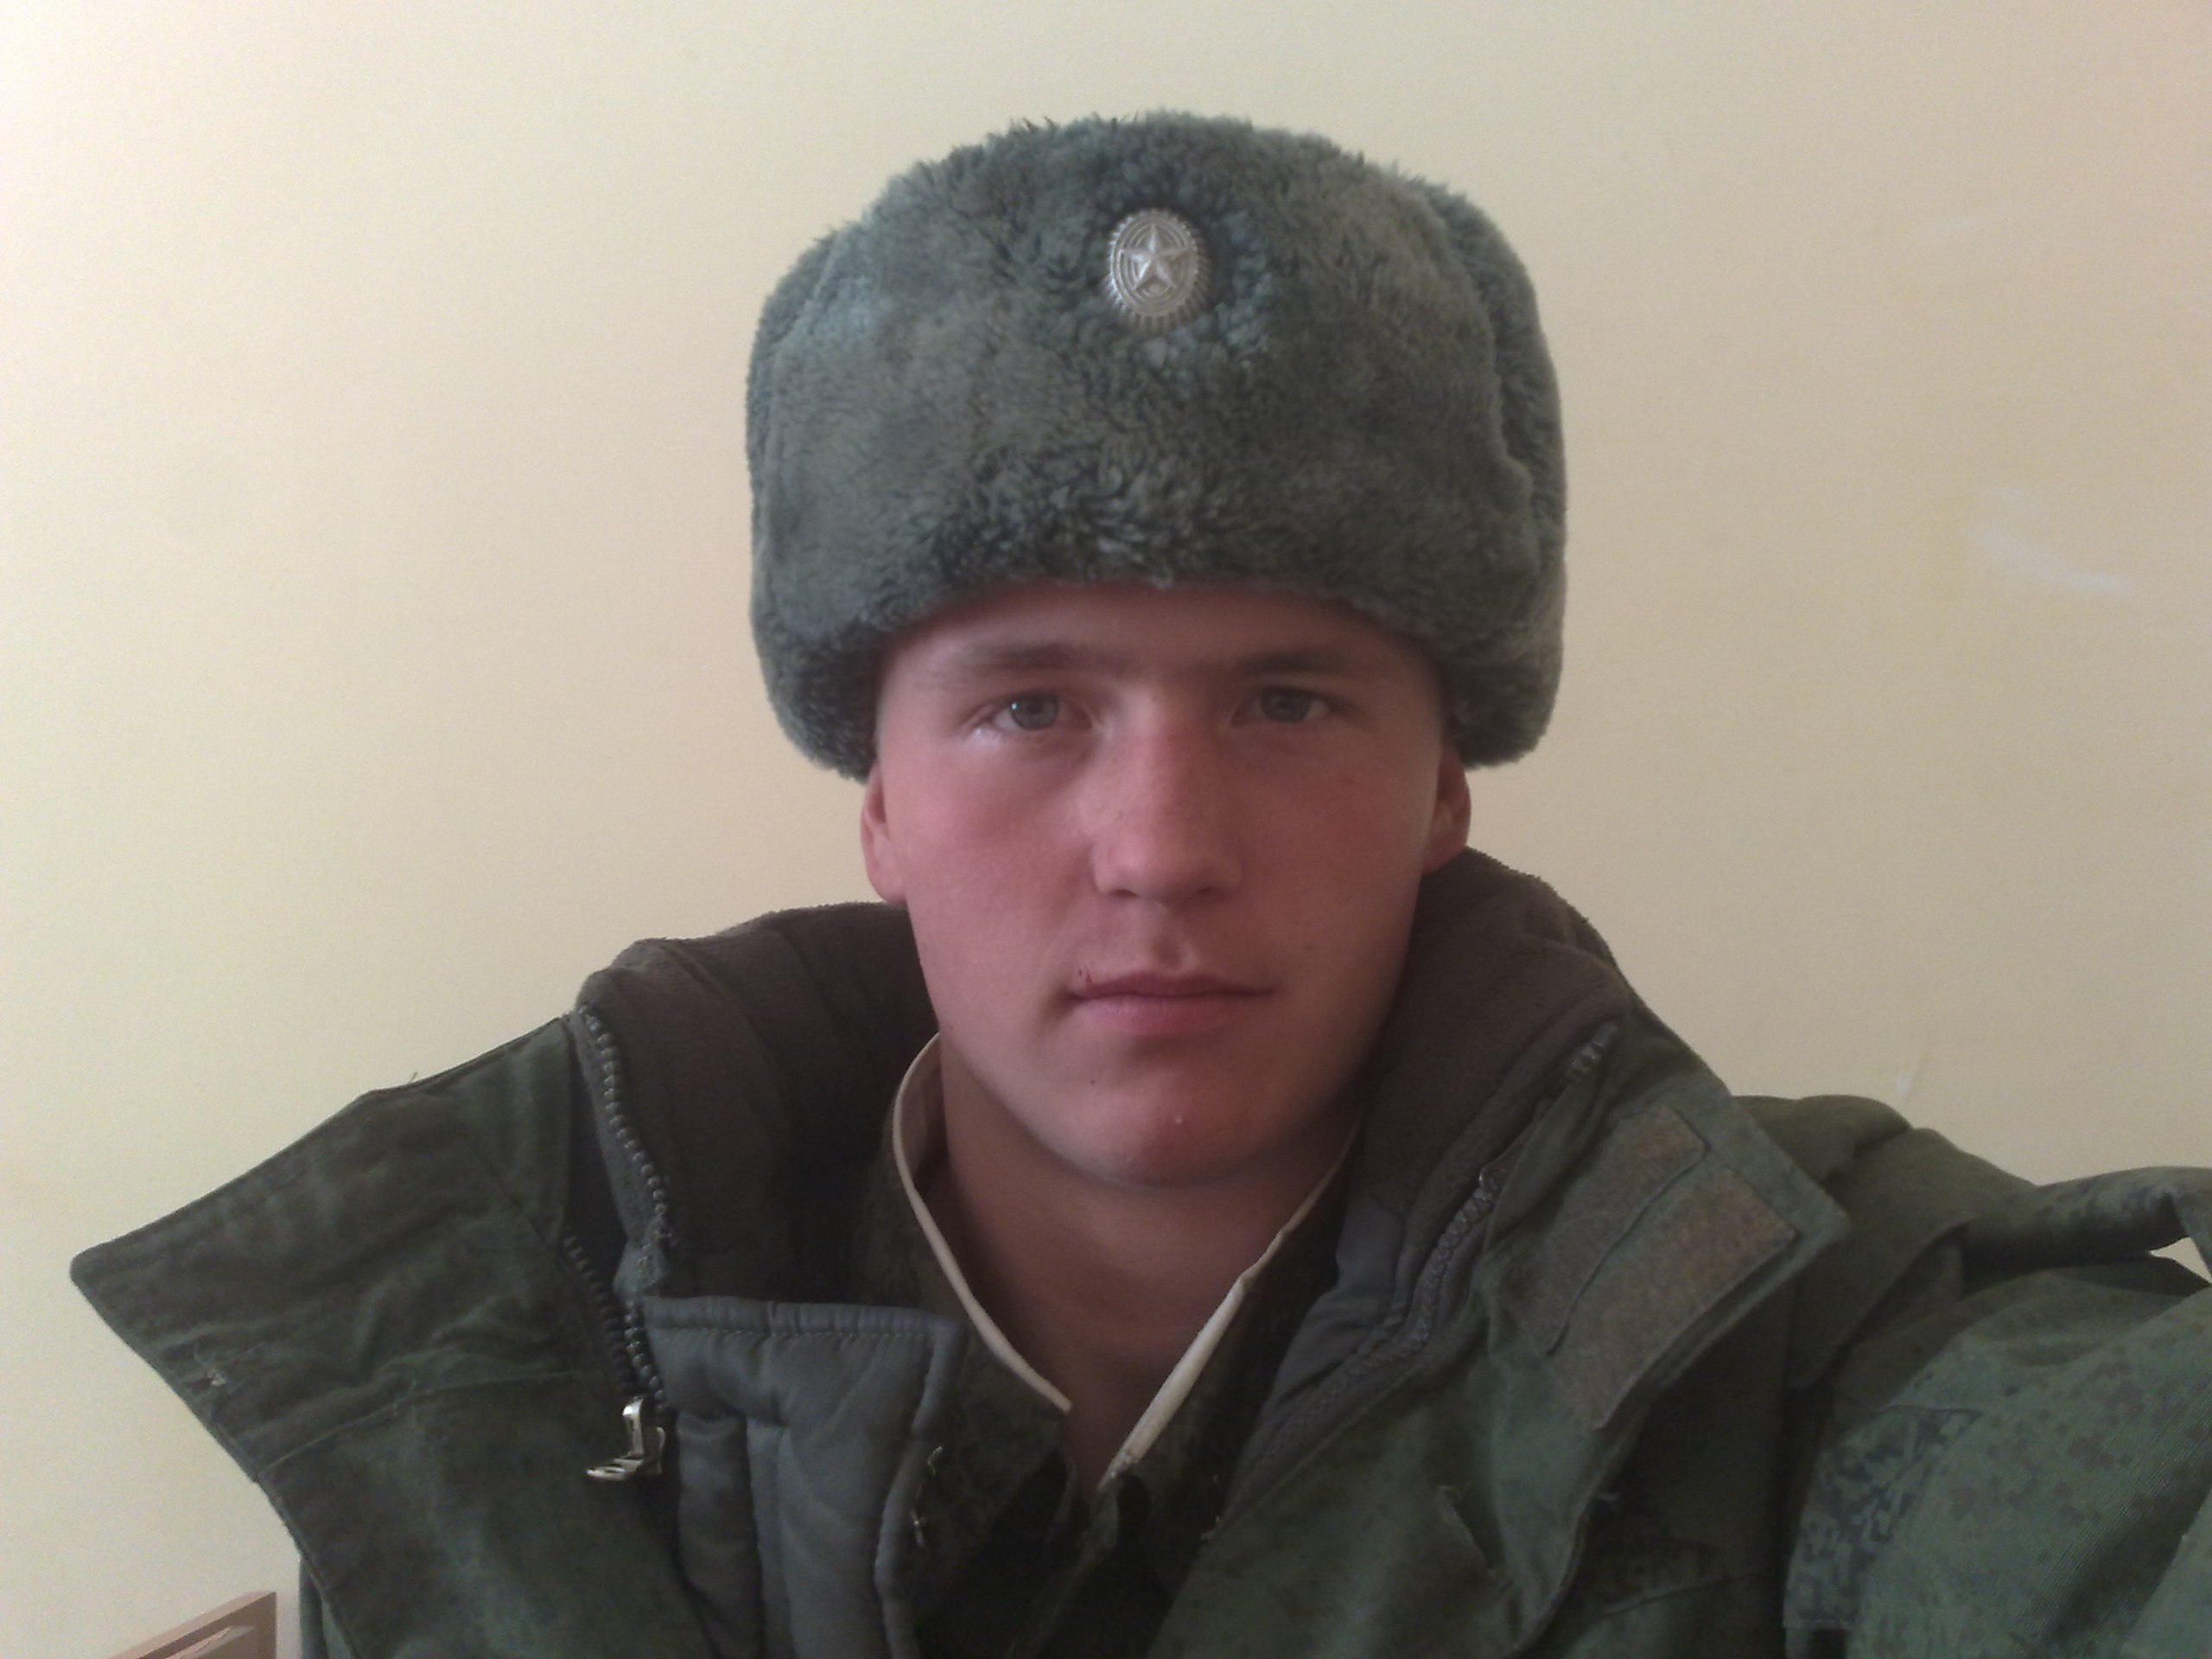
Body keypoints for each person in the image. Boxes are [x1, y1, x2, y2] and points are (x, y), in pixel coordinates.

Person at [75, 113, 2212, 1659]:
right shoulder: (494, 1358)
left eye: (1286, 702)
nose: (1163, 845)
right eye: (1027, 708)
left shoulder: (1807, 1326)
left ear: (1442, 788)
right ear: (877, 804)